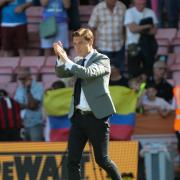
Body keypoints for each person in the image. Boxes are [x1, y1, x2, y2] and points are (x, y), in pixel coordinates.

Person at [53, 28, 121, 180]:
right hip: (78, 118)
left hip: (96, 118)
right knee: (72, 161)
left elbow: (87, 73)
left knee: (102, 160)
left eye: (80, 43)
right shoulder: (77, 61)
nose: (77, 47)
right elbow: (61, 73)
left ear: (90, 42)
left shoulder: (102, 59)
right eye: (75, 43)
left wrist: (66, 59)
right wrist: (60, 56)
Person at [88, 0, 126, 73]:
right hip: (103, 47)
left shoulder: (122, 7)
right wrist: (92, 45)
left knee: (120, 73)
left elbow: (125, 27)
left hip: (120, 46)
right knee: (104, 74)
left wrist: (125, 42)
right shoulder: (98, 8)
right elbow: (92, 28)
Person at [124, 0, 158, 78]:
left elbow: (154, 31)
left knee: (148, 69)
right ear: (134, 3)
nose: (141, 6)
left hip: (148, 45)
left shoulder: (150, 12)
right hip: (133, 45)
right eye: (139, 4)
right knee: (133, 70)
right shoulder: (129, 12)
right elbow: (133, 29)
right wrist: (148, 26)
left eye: (143, 4)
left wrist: (138, 27)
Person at [14, 67, 44, 141]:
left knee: (36, 149)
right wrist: (27, 105)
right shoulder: (19, 88)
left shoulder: (38, 87)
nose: (19, 75)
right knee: (24, 150)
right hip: (22, 124)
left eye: (22, 73)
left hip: (35, 123)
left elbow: (33, 106)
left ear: (29, 75)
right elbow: (16, 106)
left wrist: (28, 90)